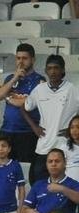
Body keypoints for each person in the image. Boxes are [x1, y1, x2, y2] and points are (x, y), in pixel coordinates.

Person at [9, 54, 79, 184]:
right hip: (43, 145)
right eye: (50, 68)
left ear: (63, 70)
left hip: (63, 145)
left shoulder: (72, 90)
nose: (53, 71)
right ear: (46, 71)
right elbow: (24, 107)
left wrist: (71, 129)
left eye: (56, 68)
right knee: (38, 183)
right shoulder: (39, 89)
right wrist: (34, 127)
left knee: (62, 186)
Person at [0, 44, 45, 170]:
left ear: (33, 59)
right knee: (5, 171)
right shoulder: (10, 78)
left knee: (25, 170)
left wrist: (9, 97)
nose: (20, 61)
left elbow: (28, 103)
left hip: (27, 133)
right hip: (7, 132)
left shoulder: (39, 80)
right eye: (18, 58)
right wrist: (15, 78)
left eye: (24, 58)